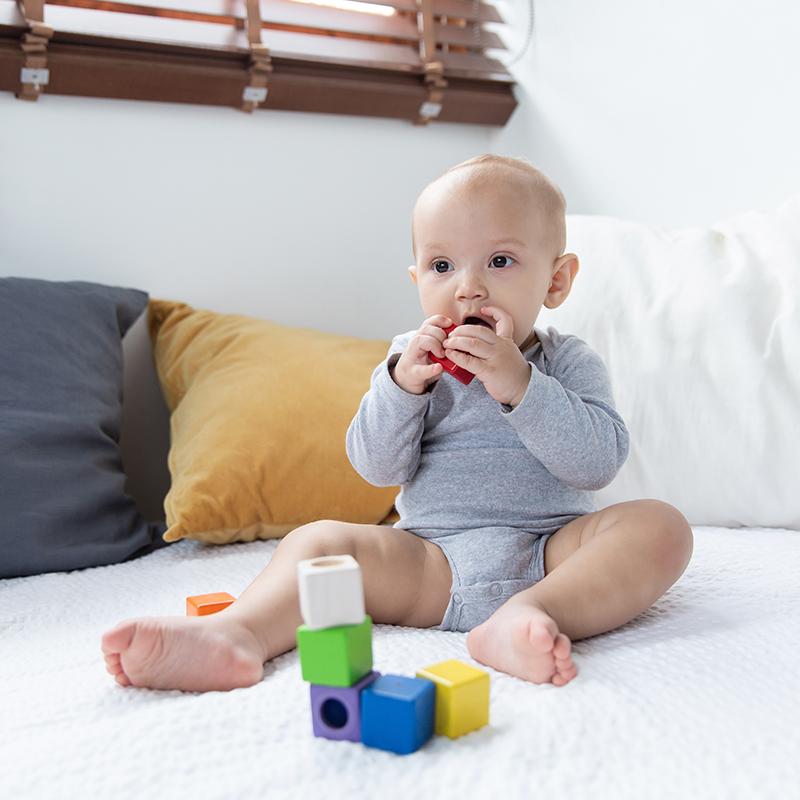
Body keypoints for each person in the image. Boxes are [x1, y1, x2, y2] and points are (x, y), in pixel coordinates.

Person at [101, 154, 693, 691]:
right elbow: (375, 466)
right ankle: (237, 635)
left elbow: (595, 463)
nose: (469, 286)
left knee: (661, 527)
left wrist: (521, 386)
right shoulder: (408, 362)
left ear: (556, 281)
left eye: (500, 260)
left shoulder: (568, 362)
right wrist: (402, 387)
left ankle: (530, 616)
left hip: (550, 555)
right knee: (318, 542)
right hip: (428, 564)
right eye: (442, 265)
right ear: (418, 282)